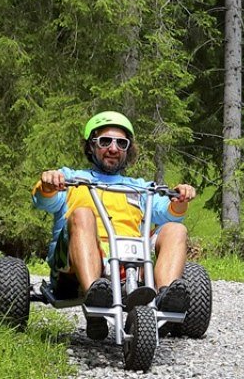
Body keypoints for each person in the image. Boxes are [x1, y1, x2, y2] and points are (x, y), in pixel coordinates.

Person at [31, 111, 198, 311]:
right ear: (92, 145)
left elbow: (170, 213)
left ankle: (165, 297)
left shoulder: (141, 188)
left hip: (130, 266)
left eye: (121, 143)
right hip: (71, 272)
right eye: (105, 141)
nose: (113, 148)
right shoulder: (71, 178)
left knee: (175, 229)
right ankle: (95, 292)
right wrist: (48, 184)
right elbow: (43, 201)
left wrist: (182, 197)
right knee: (82, 214)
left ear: (128, 149)